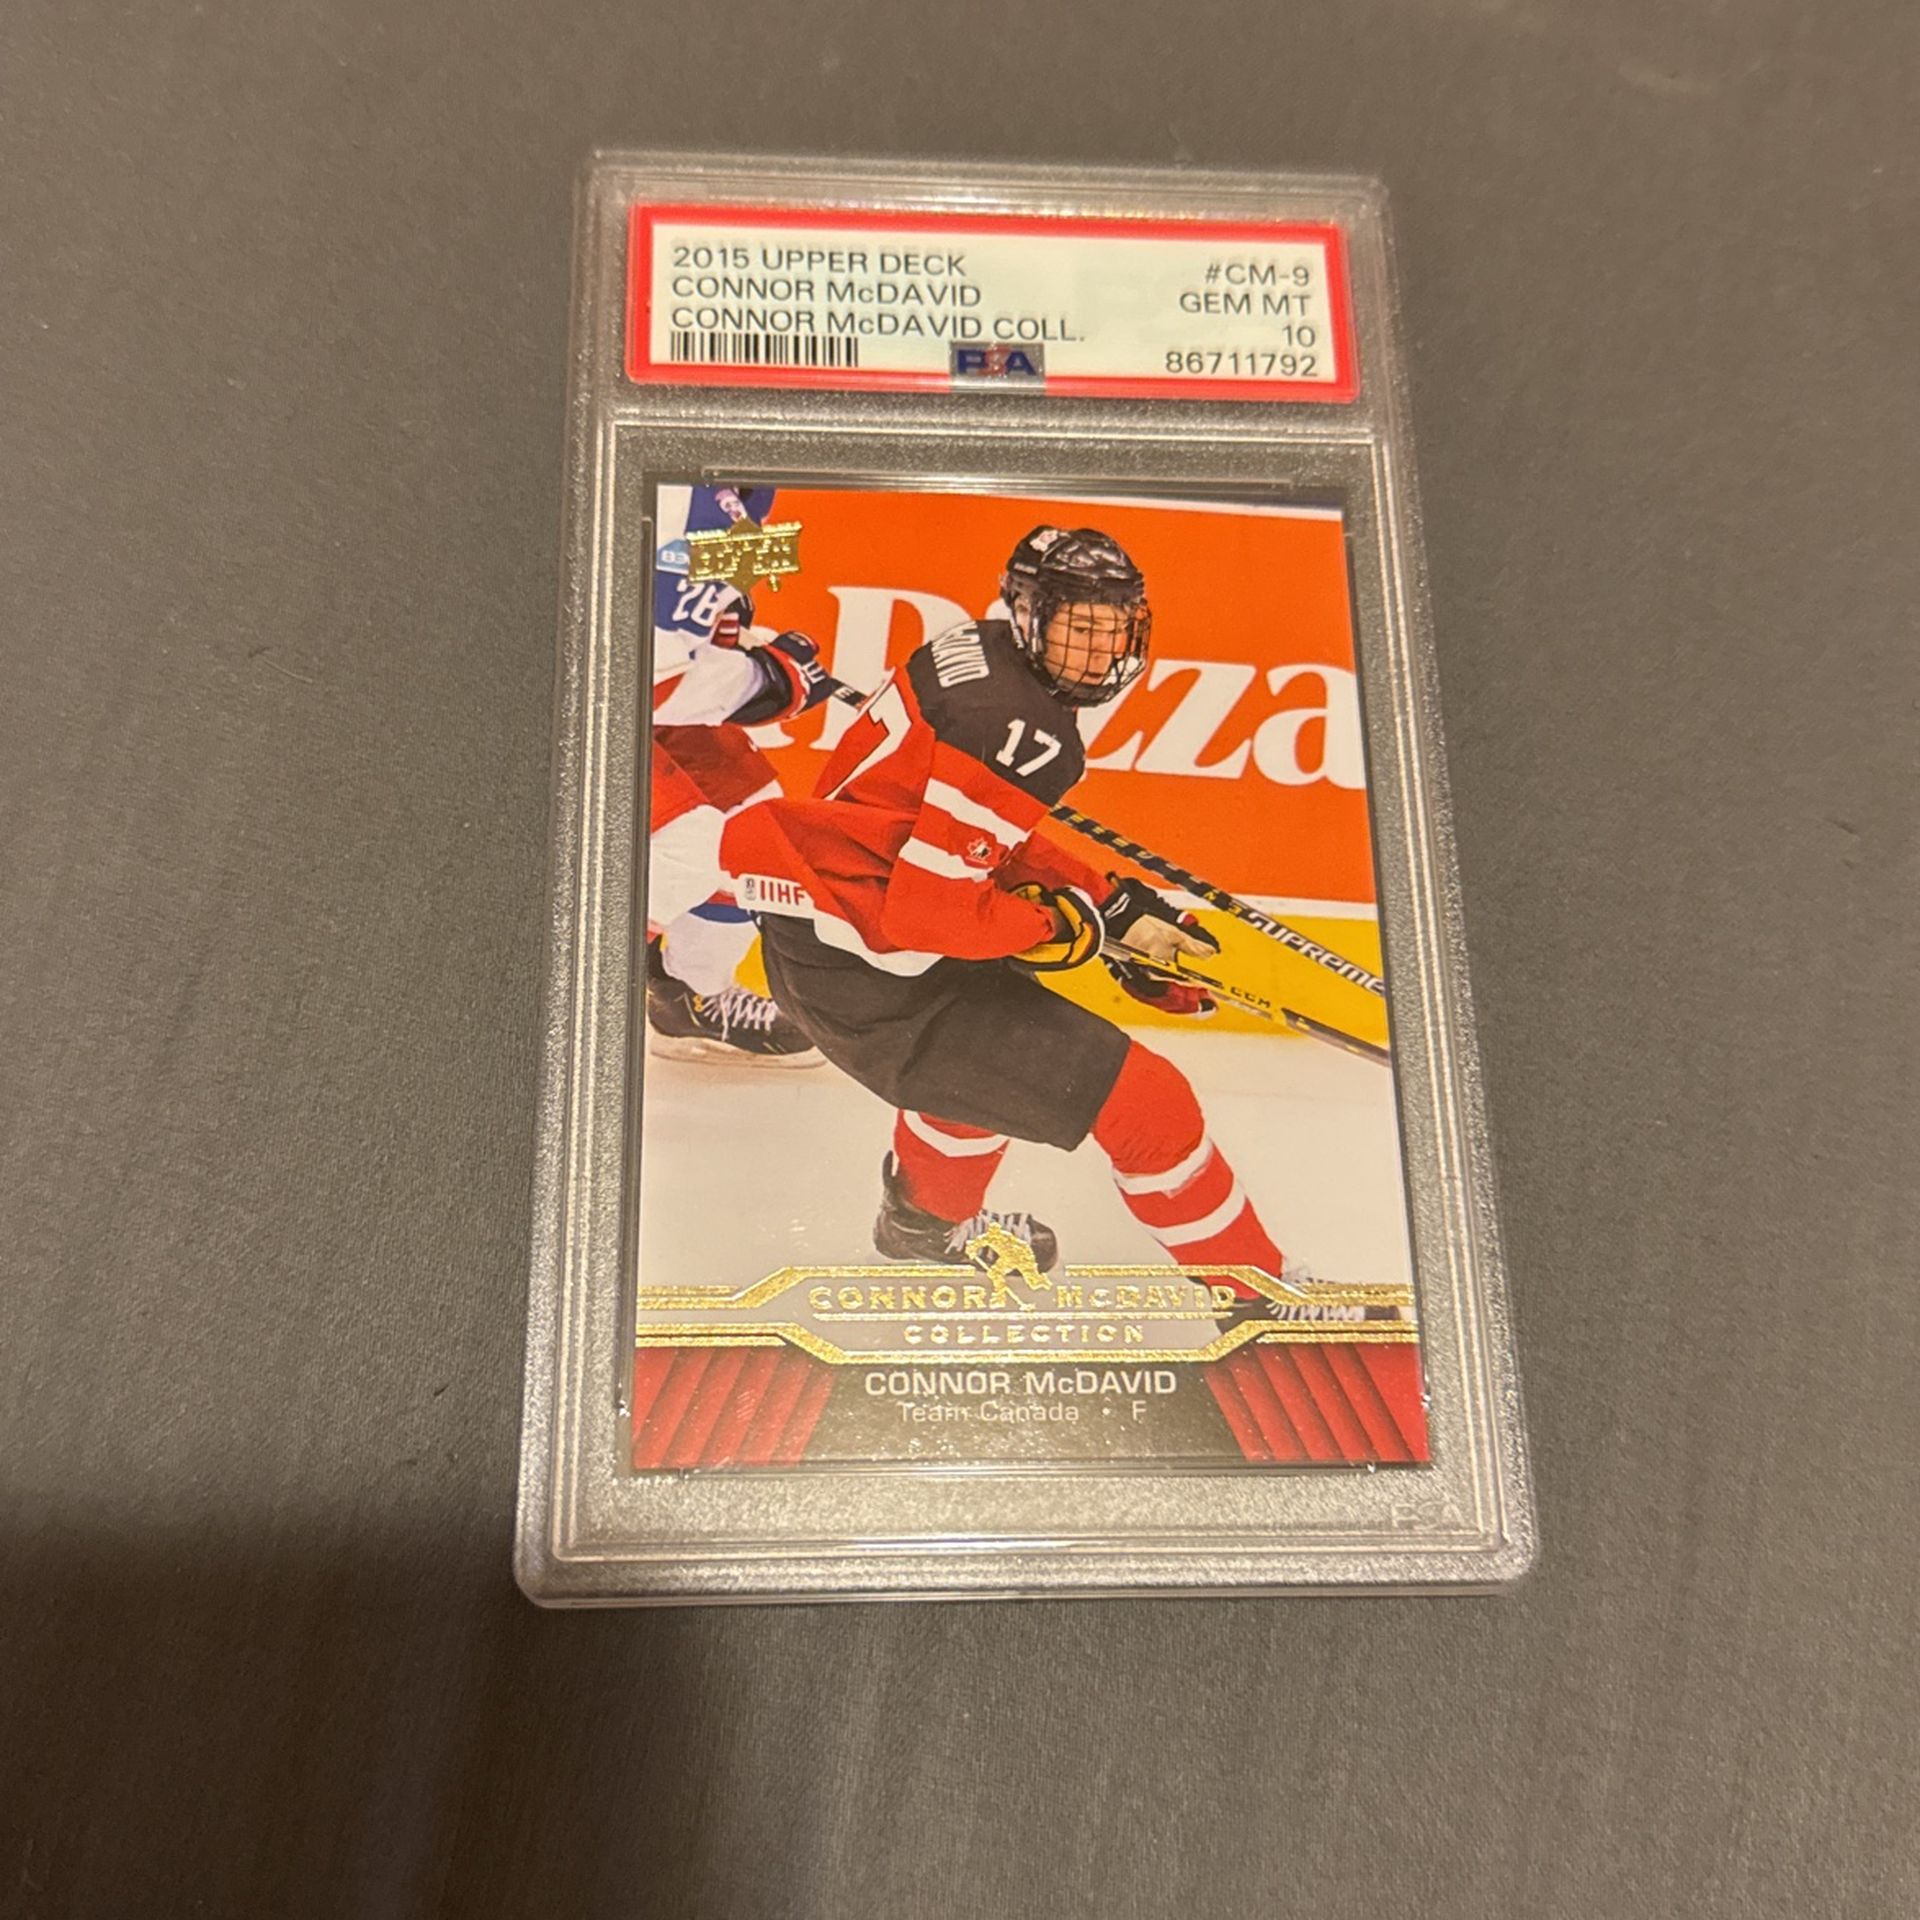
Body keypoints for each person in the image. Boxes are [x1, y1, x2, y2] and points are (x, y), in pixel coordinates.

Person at [720, 525, 1288, 1292]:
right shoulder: (1019, 727)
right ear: (1027, 612)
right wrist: (1068, 928)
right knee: (1151, 1107)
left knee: (979, 1075)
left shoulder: (979, 653)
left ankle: (924, 1224)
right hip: (875, 970)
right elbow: (933, 917)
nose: (1099, 651)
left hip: (829, 933)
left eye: (1114, 628)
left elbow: (966, 837)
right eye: (1078, 627)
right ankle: (1260, 1301)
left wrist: (1113, 908)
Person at [645, 483, 831, 1065]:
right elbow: (642, 675)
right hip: (554, 705)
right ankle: (566, 995)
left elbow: (680, 620)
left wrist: (734, 638)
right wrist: (768, 681)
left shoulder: (745, 484)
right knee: (689, 846)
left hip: (628, 697)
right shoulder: (673, 489)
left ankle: (689, 995)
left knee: (755, 826)